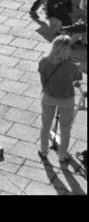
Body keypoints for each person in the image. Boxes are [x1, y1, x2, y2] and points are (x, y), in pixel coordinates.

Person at [38, 35, 83, 164]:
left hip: (48, 97)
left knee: (45, 125)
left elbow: (42, 79)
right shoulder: (72, 66)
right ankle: (62, 155)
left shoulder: (43, 61)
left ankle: (43, 151)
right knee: (65, 128)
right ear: (65, 50)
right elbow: (78, 78)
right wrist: (76, 66)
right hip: (66, 99)